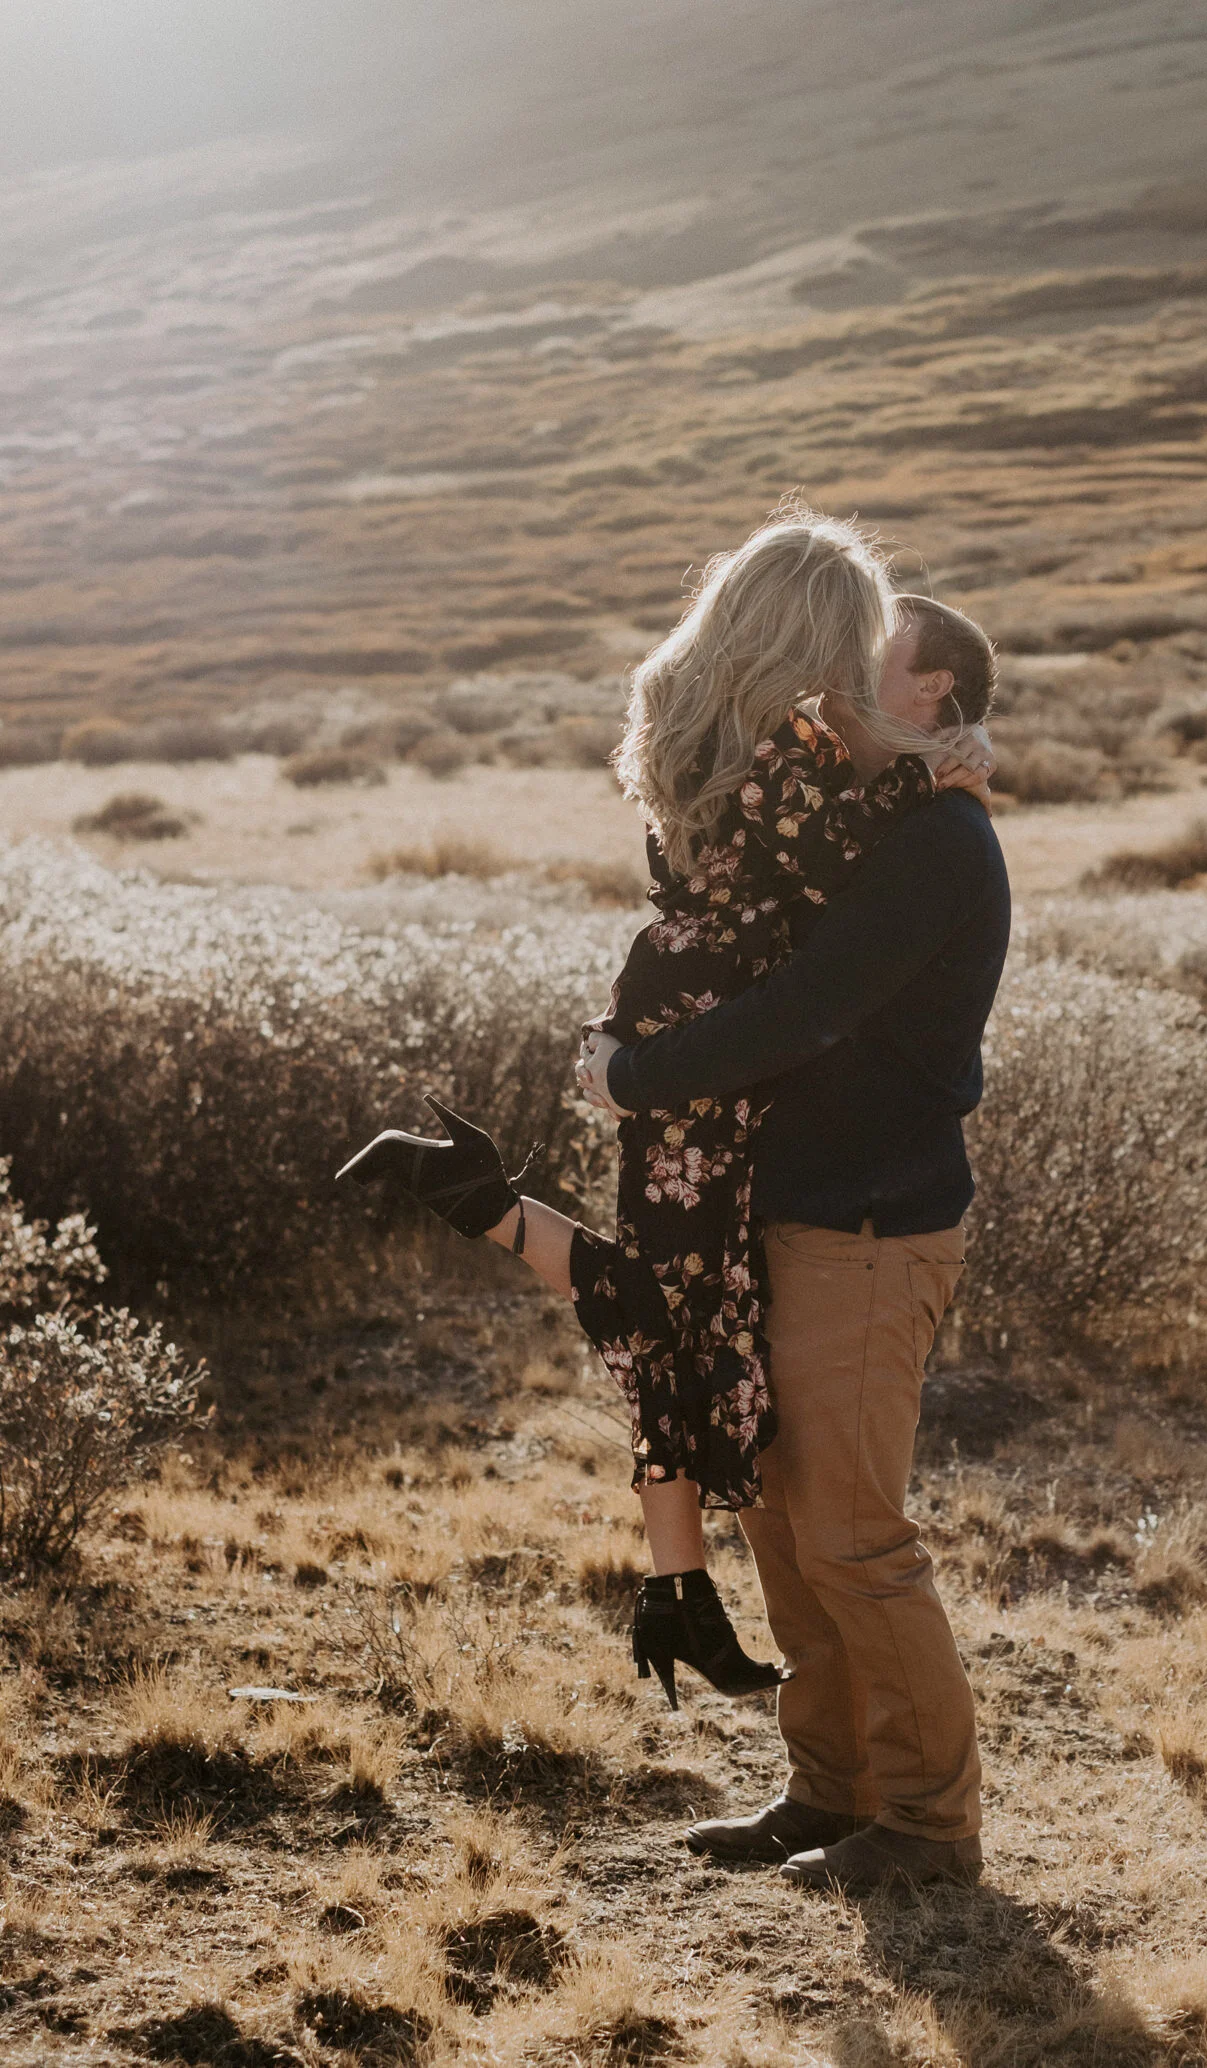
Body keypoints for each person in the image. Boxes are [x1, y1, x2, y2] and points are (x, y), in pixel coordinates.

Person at [338, 510, 992, 1716]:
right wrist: (934, 761)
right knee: (694, 1340)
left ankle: (695, 1603)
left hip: (701, 1059)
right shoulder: (805, 767)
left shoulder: (693, 724)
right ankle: (704, 1621)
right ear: (816, 635)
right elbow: (823, 939)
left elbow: (808, 936)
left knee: (675, 1315)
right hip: (712, 1079)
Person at [575, 590, 1009, 1895]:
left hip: (873, 1228)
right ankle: (832, 1791)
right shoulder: (870, 815)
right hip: (786, 1215)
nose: (832, 669)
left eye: (867, 650)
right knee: (777, 1516)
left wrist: (637, 1079)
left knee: (855, 1535)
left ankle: (930, 1826)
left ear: (932, 694)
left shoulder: (938, 843)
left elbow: (807, 1008)